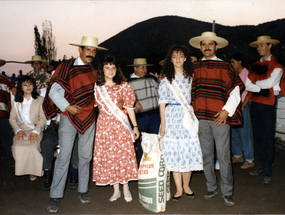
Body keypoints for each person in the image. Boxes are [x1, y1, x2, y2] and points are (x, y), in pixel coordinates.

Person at [43, 36, 107, 213]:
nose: (92, 54)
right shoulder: (65, 67)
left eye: (94, 51)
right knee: (64, 157)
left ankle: (83, 190)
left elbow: (98, 95)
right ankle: (55, 196)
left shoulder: (94, 71)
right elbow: (54, 92)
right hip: (68, 117)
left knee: (85, 157)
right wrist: (67, 107)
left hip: (89, 118)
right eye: (88, 50)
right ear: (80, 49)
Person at [189, 31, 244, 206]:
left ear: (216, 46)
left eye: (210, 44)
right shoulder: (194, 67)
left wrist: (226, 111)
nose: (206, 47)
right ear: (200, 47)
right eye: (203, 44)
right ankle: (211, 187)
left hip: (220, 118)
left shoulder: (226, 67)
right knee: (206, 156)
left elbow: (235, 91)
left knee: (224, 157)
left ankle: (227, 192)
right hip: (201, 119)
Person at [158, 45, 203, 201]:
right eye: (174, 56)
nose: (177, 59)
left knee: (187, 152)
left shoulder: (191, 77)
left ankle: (187, 186)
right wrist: (163, 124)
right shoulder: (165, 80)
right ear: (171, 59)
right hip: (171, 117)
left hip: (187, 117)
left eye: (180, 56)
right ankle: (178, 188)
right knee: (174, 153)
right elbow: (162, 103)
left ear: (185, 58)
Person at [93, 55, 139, 202]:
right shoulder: (97, 88)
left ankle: (125, 188)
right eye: (107, 67)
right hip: (104, 127)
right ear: (102, 69)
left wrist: (135, 126)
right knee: (109, 156)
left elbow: (130, 108)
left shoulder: (124, 86)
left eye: (113, 67)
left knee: (122, 156)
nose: (110, 70)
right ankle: (115, 190)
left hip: (120, 127)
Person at [246, 36, 284, 184]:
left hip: (268, 106)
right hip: (255, 104)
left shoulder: (278, 66)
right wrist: (261, 87)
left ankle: (267, 171)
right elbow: (247, 85)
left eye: (262, 45)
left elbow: (271, 82)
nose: (259, 48)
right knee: (257, 137)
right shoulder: (254, 65)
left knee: (267, 138)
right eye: (257, 46)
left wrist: (256, 84)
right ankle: (262, 166)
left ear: (269, 46)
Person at [9, 75, 47, 181]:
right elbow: (12, 119)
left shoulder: (40, 100)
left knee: (32, 147)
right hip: (21, 130)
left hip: (35, 129)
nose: (28, 86)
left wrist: (35, 131)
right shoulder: (16, 102)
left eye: (30, 84)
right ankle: (25, 169)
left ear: (34, 86)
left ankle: (33, 170)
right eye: (25, 85)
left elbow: (43, 119)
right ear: (21, 87)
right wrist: (18, 130)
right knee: (17, 147)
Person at [127, 58, 160, 164]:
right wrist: (134, 102)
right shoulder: (128, 83)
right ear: (135, 68)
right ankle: (143, 167)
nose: (145, 70)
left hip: (155, 115)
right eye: (142, 67)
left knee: (156, 142)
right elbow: (124, 99)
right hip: (140, 118)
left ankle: (156, 167)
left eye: (146, 67)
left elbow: (160, 92)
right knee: (142, 144)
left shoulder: (152, 79)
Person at [230, 53, 254, 169]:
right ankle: (238, 155)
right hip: (234, 106)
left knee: (245, 133)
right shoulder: (234, 74)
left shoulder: (247, 73)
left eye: (233, 62)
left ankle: (249, 159)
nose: (232, 64)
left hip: (243, 106)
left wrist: (244, 104)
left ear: (240, 62)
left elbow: (250, 91)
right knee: (234, 132)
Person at [0, 73, 16, 167]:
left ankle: (11, 159)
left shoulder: (5, 80)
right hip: (3, 113)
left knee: (7, 138)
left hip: (3, 113)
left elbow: (15, 86)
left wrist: (15, 88)